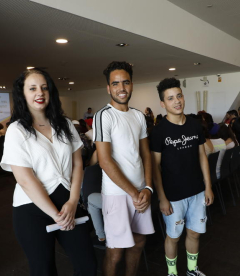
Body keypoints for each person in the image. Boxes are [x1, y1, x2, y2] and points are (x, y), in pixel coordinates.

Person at [0, 68, 97, 276]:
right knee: (43, 270)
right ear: (23, 94)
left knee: (87, 265)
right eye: (32, 88)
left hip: (68, 203)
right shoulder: (16, 130)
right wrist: (56, 215)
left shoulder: (65, 124)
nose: (40, 93)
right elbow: (25, 180)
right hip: (31, 210)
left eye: (44, 88)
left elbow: (78, 165)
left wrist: (72, 202)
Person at [93, 61, 154, 276]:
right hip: (118, 195)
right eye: (115, 83)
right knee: (115, 251)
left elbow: (146, 154)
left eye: (125, 82)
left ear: (132, 85)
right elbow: (104, 161)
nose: (121, 88)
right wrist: (135, 193)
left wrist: (147, 188)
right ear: (108, 88)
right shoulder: (104, 116)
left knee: (138, 243)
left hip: (140, 192)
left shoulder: (138, 116)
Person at [150, 78, 213, 276]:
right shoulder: (159, 132)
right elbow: (155, 166)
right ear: (163, 103)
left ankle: (192, 270)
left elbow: (202, 155)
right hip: (173, 196)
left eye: (179, 96)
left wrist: (208, 186)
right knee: (173, 236)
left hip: (197, 192)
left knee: (194, 233)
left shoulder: (195, 126)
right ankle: (172, 273)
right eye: (170, 98)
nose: (177, 101)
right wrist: (162, 197)